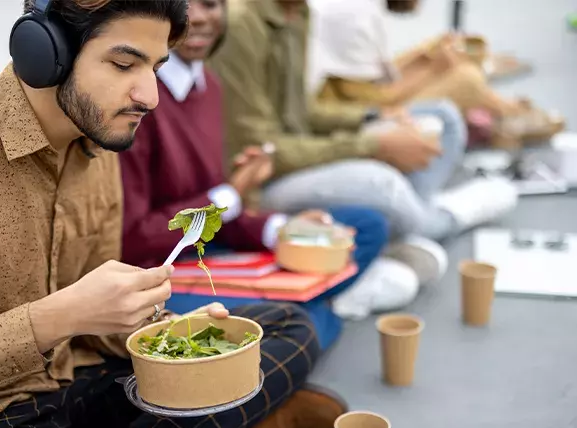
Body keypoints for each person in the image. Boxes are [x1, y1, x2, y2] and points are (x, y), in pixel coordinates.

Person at [0, 1, 341, 428]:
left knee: (288, 325)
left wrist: (169, 330)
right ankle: (245, 421)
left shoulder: (101, 145)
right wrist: (53, 318)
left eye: (156, 69)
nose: (151, 97)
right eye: (123, 65)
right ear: (45, 52)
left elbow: (98, 321)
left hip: (78, 377)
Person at [209, 0, 518, 318]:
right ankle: (442, 220)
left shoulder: (298, 11)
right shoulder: (242, 23)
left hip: (302, 151)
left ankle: (407, 228)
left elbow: (303, 112)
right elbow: (261, 150)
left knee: (444, 116)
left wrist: (373, 116)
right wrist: (372, 143)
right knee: (381, 182)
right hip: (261, 182)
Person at [119, 0, 393, 349]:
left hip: (210, 246)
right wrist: (231, 195)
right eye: (183, 3)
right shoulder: (137, 102)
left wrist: (276, 228)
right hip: (162, 272)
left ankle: (305, 306)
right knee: (296, 323)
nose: (200, 16)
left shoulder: (209, 87)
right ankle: (311, 309)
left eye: (211, 3)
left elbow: (220, 209)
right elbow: (135, 240)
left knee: (365, 225)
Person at [307, 0, 565, 147]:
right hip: (338, 119)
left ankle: (503, 111)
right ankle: (507, 114)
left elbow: (374, 77)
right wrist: (434, 67)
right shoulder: (356, 16)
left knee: (448, 61)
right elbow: (375, 101)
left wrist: (425, 55)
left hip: (346, 98)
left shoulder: (361, 9)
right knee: (467, 79)